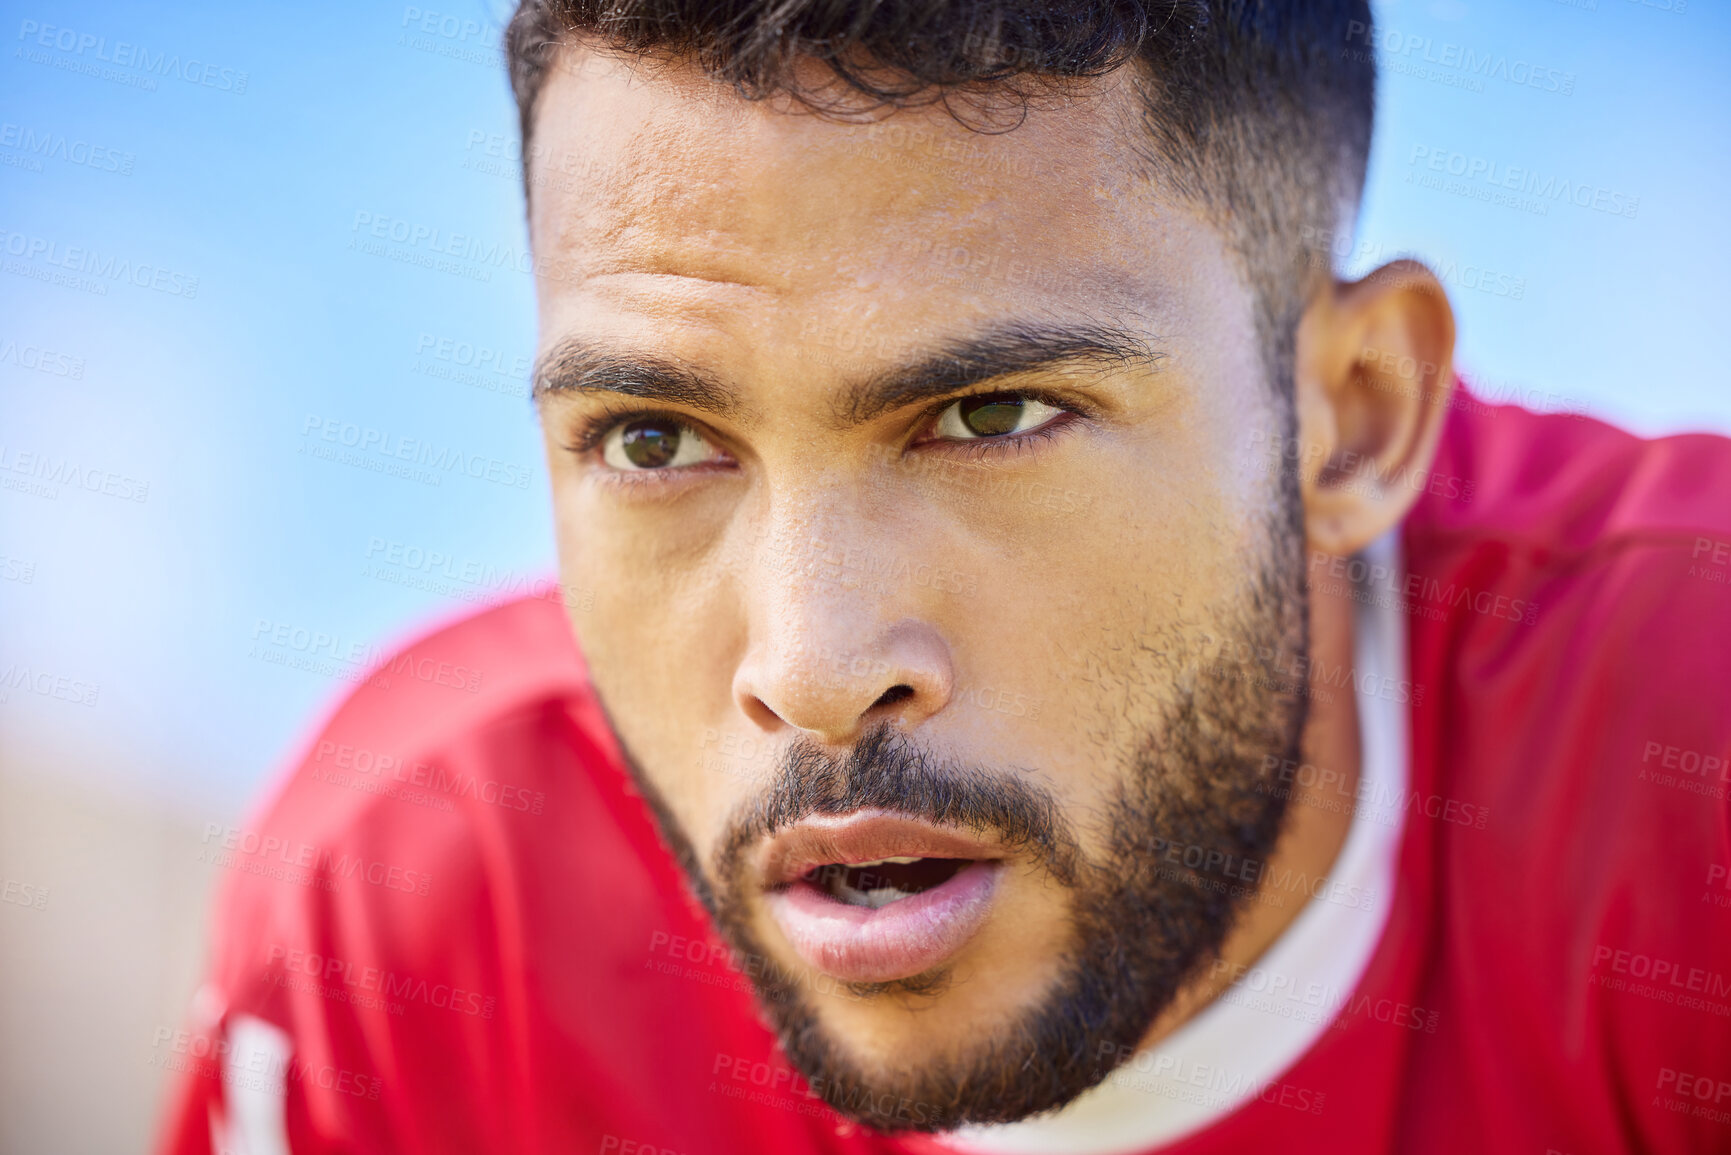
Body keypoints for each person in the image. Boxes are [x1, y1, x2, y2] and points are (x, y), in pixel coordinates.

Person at [156, 2, 1731, 1152]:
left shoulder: (1691, 758)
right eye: (652, 438)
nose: (815, 661)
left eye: (991, 418)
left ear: (1352, 416)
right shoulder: (423, 922)